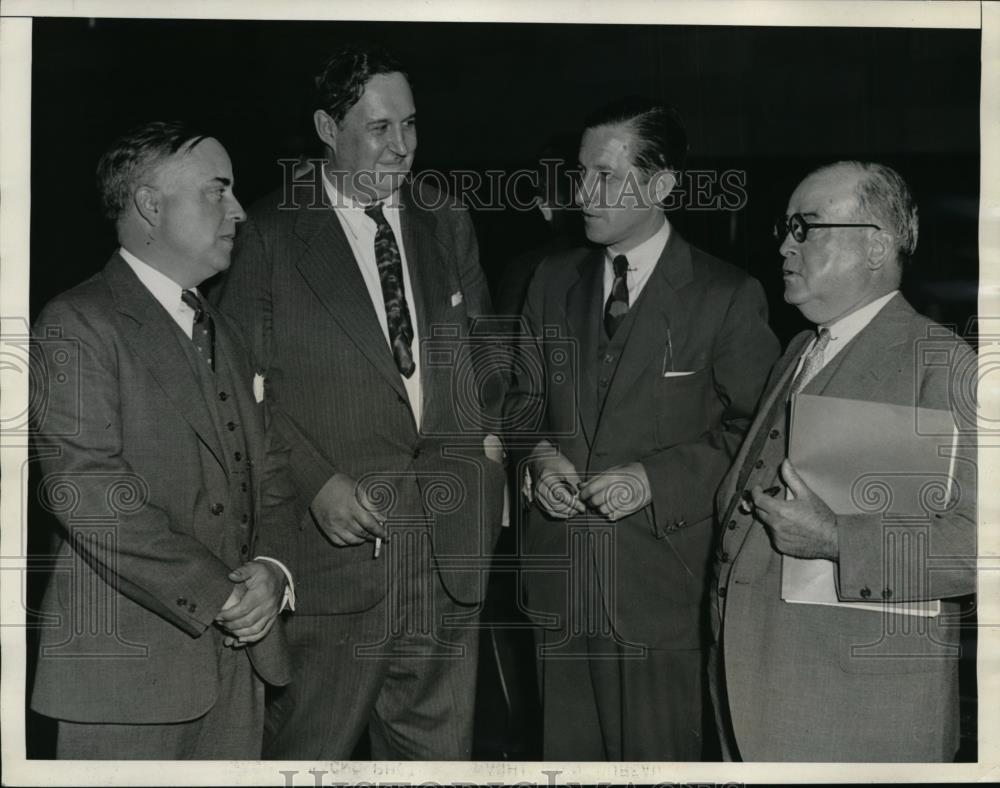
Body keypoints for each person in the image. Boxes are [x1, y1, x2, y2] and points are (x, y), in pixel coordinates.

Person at [214, 43, 505, 759]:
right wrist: (314, 484)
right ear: (326, 126)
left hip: (446, 550)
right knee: (312, 752)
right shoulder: (270, 234)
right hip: (335, 557)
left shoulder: (444, 217)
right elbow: (238, 394)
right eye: (380, 129)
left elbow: (483, 355)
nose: (402, 147)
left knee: (437, 764)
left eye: (410, 126)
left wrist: (485, 448)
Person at [505, 98, 779, 760]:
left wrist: (657, 480)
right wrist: (538, 459)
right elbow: (518, 401)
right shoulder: (551, 280)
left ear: (660, 186)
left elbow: (762, 437)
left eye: (603, 175)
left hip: (662, 594)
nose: (582, 193)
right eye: (579, 173)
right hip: (560, 587)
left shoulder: (726, 296)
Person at [29, 121, 295, 759]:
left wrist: (274, 572)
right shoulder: (77, 320)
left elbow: (274, 477)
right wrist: (224, 592)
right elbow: (87, 490)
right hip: (124, 682)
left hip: (240, 673)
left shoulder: (224, 333)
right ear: (151, 205)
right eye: (217, 191)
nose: (238, 211)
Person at [710, 161, 977, 762]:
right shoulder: (801, 349)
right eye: (785, 226)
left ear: (877, 245)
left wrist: (835, 537)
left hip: (854, 718)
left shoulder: (943, 364)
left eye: (806, 227)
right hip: (754, 698)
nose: (784, 244)